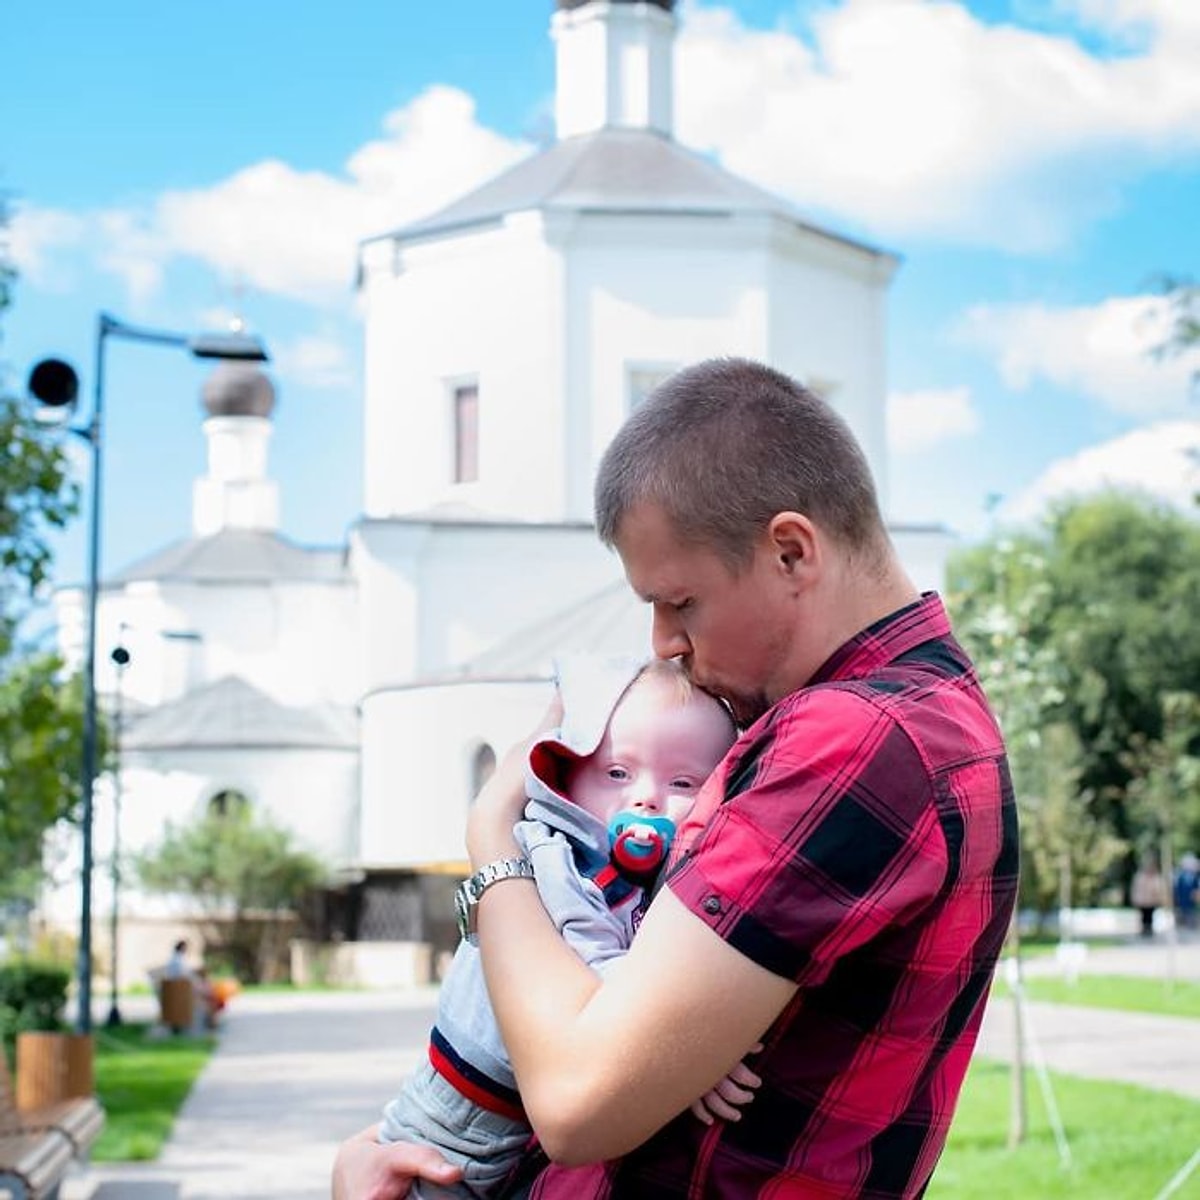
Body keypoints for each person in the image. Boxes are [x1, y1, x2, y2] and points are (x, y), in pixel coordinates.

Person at [334, 357, 1018, 1200]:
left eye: (680, 602)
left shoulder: (854, 739)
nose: (663, 642)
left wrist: (493, 846)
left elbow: (578, 1103)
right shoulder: (913, 714)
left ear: (791, 551)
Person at [375, 656, 741, 1198]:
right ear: (567, 773)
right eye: (617, 773)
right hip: (455, 1124)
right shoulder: (558, 859)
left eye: (683, 781)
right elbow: (601, 987)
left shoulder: (649, 881)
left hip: (521, 1119)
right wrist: (689, 1058)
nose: (646, 797)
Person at [1131, 858, 1167, 938]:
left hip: (1152, 901)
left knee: (1150, 915)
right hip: (1142, 900)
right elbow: (1136, 889)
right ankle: (1144, 929)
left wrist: (1160, 897)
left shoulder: (1156, 877)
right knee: (1143, 915)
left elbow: (1159, 889)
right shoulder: (1140, 877)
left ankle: (1149, 929)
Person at [1173, 853, 1198, 933]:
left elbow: (1196, 887)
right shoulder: (1180, 876)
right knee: (1183, 910)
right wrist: (1177, 897)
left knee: (1191, 910)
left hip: (1191, 897)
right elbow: (1177, 888)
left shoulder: (1194, 876)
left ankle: (1191, 924)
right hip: (1182, 897)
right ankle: (1183, 923)